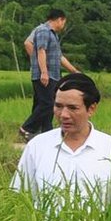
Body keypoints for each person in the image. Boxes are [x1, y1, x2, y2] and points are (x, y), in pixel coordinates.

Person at [11, 73, 111, 210]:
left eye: (73, 108)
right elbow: (19, 197)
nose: (64, 115)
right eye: (58, 106)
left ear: (91, 108)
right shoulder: (37, 146)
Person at [19, 10, 78, 140]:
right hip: (46, 75)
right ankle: (27, 128)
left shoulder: (53, 35)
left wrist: (74, 71)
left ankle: (46, 134)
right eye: (64, 22)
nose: (63, 26)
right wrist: (44, 72)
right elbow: (41, 51)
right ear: (59, 20)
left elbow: (59, 57)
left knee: (43, 104)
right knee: (48, 104)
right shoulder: (43, 31)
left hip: (54, 74)